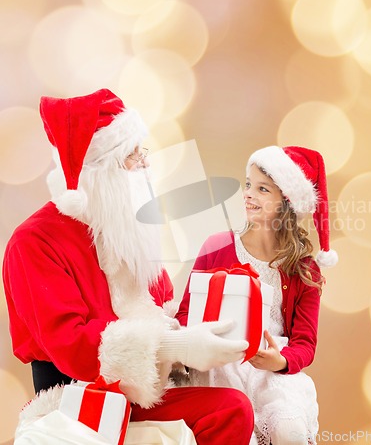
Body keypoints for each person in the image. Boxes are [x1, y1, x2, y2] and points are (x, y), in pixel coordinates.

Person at [2, 89, 254, 444]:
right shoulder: (34, 242)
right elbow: (73, 346)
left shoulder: (127, 230)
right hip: (76, 399)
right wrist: (175, 346)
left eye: (142, 151)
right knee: (231, 409)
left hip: (145, 392)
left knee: (235, 405)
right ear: (99, 171)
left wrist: (224, 332)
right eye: (132, 156)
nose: (146, 164)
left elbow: (166, 308)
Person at [176, 146, 339, 445]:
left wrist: (278, 361)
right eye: (248, 184)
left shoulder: (305, 269)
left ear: (285, 203)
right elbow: (185, 314)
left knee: (288, 431)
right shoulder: (218, 247)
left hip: (271, 373)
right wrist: (200, 339)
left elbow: (305, 343)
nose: (249, 194)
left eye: (262, 189)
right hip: (220, 369)